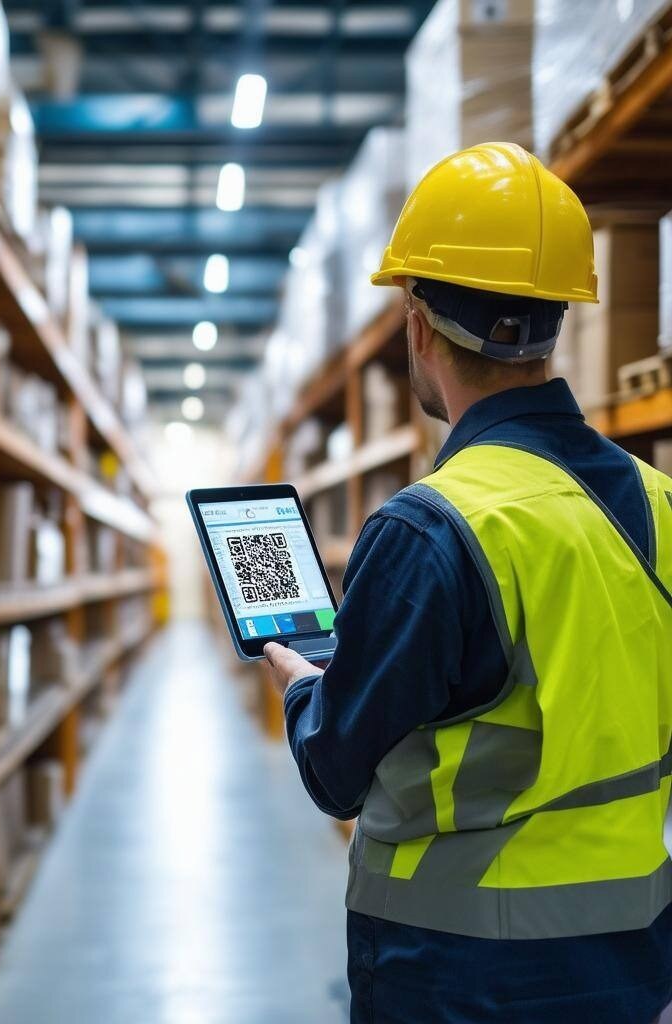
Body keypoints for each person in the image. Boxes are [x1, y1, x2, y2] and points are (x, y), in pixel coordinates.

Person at [262, 142, 672, 1023]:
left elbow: (336, 772)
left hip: (462, 979)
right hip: (632, 964)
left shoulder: (430, 529)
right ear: (560, 317)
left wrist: (302, 685)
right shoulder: (662, 504)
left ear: (417, 324)